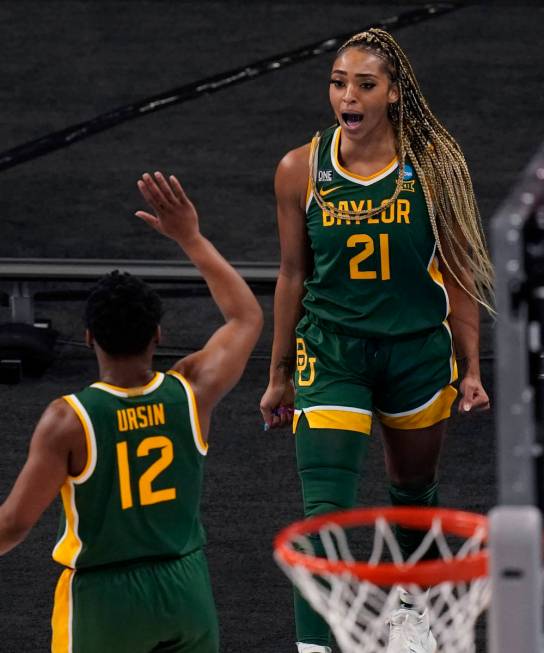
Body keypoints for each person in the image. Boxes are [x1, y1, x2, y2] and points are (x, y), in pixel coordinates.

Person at [260, 28, 493, 653]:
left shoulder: (435, 168)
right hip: (331, 351)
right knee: (323, 512)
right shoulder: (299, 168)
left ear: (393, 94)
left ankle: (410, 611)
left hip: (416, 352)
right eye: (339, 83)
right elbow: (292, 273)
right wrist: (279, 372)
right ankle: (312, 646)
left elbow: (463, 269)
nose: (347, 96)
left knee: (412, 493)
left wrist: (471, 365)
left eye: (364, 84)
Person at [0, 172, 263, 653]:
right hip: (185, 587)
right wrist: (191, 237)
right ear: (158, 336)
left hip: (105, 601)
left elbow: (14, 525)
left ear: (88, 339)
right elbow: (246, 317)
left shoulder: (69, 419)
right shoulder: (191, 391)